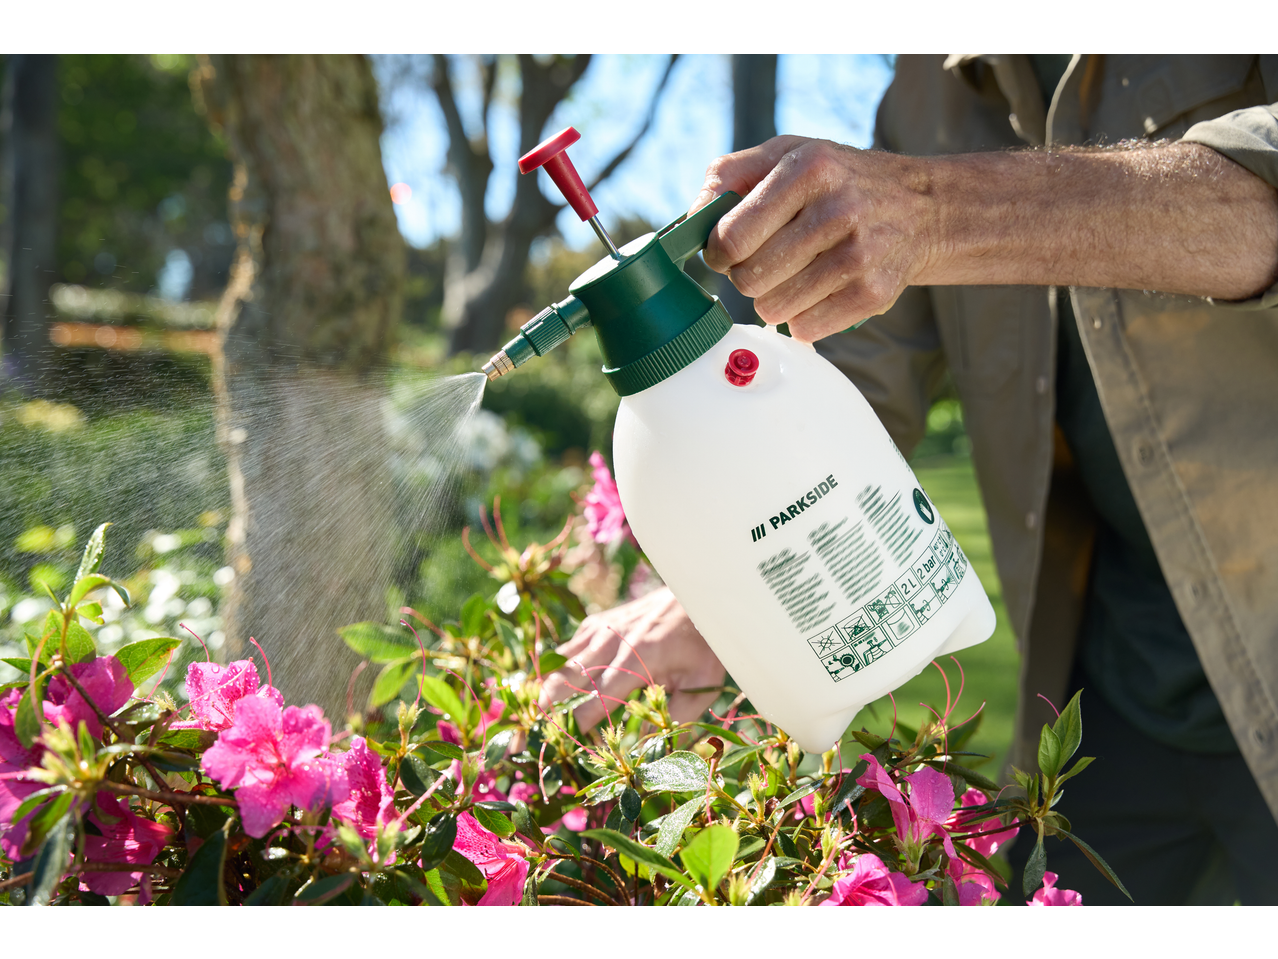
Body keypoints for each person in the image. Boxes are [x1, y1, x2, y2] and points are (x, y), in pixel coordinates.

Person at [539, 55, 1278, 904]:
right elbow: (859, 380)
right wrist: (716, 598)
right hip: (1111, 694)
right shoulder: (928, 94)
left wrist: (931, 211)